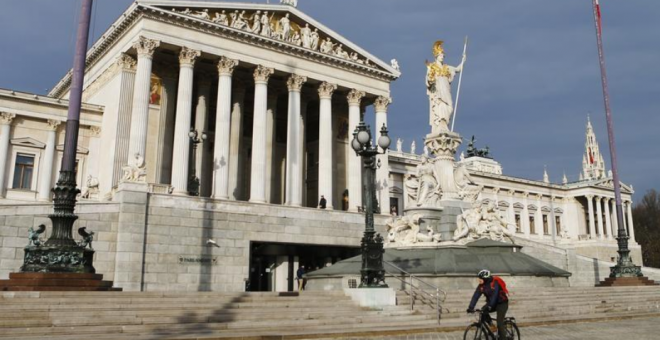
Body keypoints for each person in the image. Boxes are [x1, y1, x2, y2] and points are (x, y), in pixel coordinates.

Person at [467, 269, 509, 339]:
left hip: (502, 303)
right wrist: (471, 307)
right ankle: (492, 326)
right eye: (479, 278)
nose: (479, 280)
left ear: (485, 279)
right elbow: (476, 296)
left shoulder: (495, 283)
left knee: (499, 322)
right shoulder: (481, 285)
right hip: (492, 303)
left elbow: (494, 296)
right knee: (483, 311)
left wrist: (489, 306)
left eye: (481, 278)